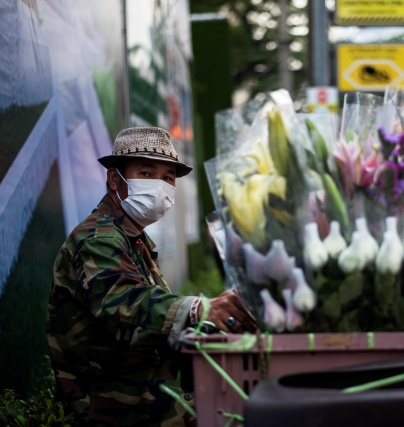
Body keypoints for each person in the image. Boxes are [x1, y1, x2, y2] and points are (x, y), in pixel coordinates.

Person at [47, 127, 256, 426]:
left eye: (168, 178)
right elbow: (125, 303)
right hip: (116, 408)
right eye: (147, 173)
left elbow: (158, 320)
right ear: (114, 179)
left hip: (149, 395)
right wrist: (197, 309)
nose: (160, 185)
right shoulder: (97, 239)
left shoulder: (134, 239)